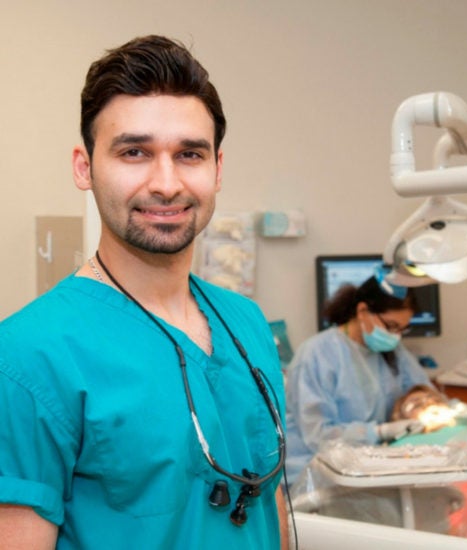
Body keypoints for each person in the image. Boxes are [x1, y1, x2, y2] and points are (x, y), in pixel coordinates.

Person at [0, 35, 288, 549]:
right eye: (134, 152)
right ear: (84, 167)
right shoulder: (26, 356)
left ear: (217, 169)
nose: (166, 182)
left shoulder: (247, 324)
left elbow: (272, 509)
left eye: (189, 154)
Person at [285, 276, 435, 485]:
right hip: (319, 471)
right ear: (363, 311)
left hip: (370, 462)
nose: (397, 336)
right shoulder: (317, 355)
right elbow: (319, 436)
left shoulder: (393, 352)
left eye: (403, 329)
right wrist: (378, 432)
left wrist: (425, 406)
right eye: (391, 326)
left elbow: (420, 388)